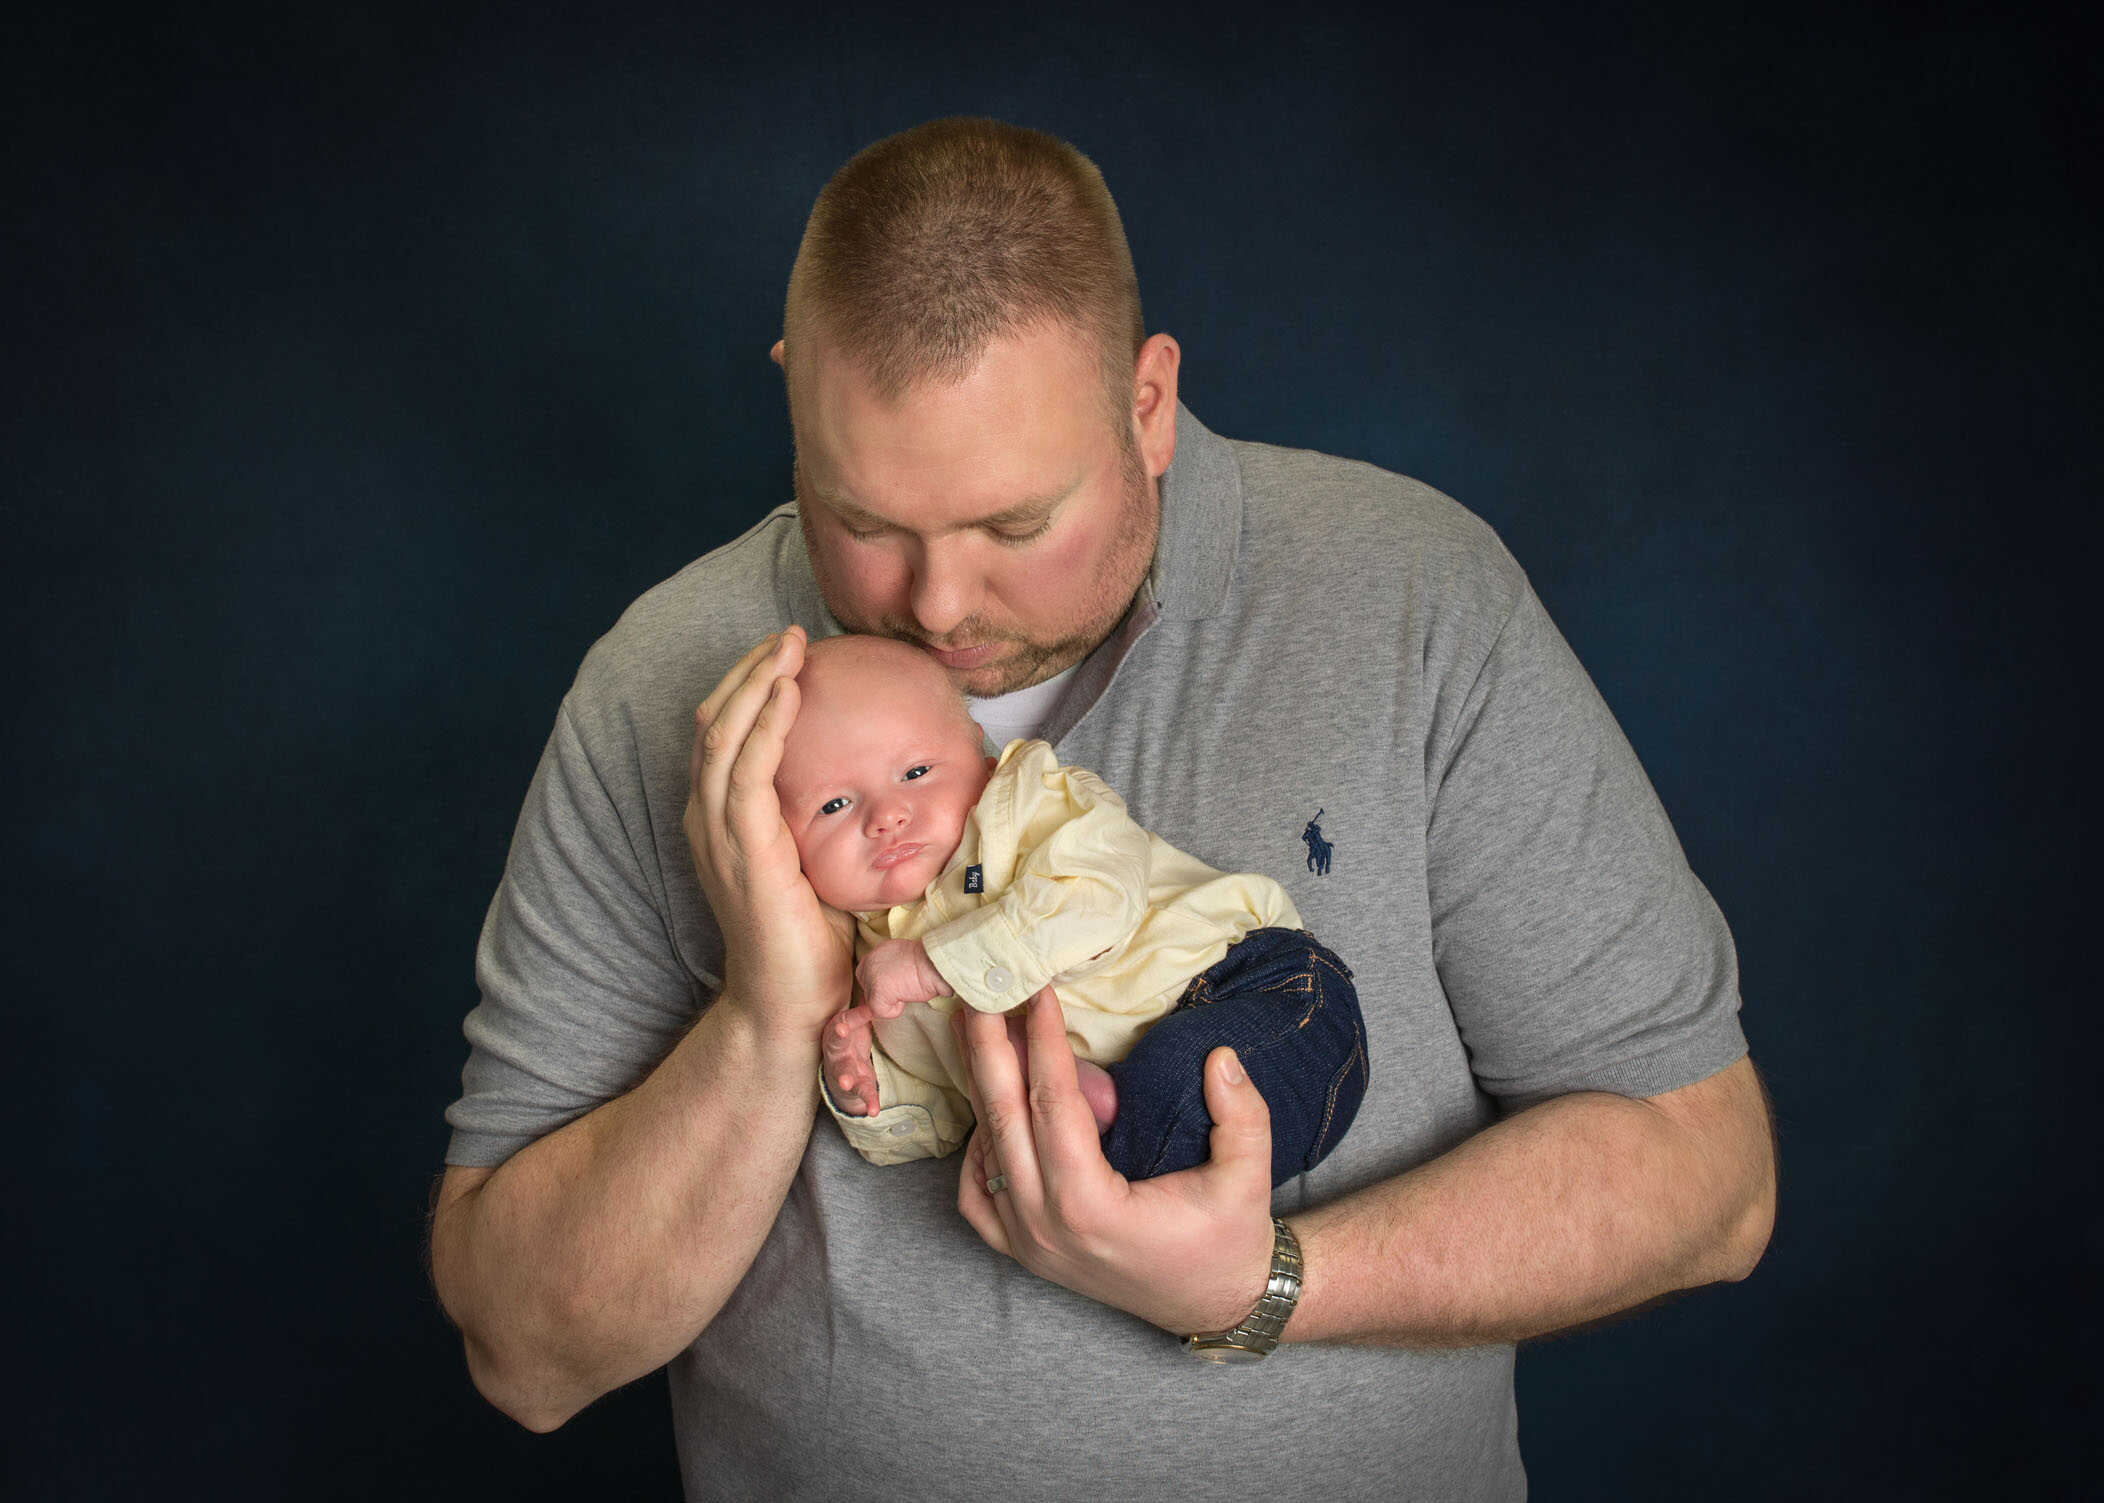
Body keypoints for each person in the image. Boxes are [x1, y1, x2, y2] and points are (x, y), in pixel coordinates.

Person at [428, 117, 1776, 1498]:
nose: (936, 604)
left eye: (1015, 526)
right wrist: (770, 1017)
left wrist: (1271, 1283)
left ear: (1148, 400)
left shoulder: (1410, 593)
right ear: (792, 392)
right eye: (864, 520)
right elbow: (525, 1353)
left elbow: (1705, 1175)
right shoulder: (668, 686)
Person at [777, 631, 1369, 1185]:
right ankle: (1102, 1123)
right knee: (1043, 1160)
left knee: (1165, 1089)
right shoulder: (869, 969)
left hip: (1251, 989)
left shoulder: (1028, 807)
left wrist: (932, 965)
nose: (886, 816)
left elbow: (1098, 903)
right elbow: (946, 1116)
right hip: (1131, 1120)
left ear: (982, 759)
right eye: (833, 805)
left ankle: (1105, 1122)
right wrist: (866, 1089)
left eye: (915, 772)